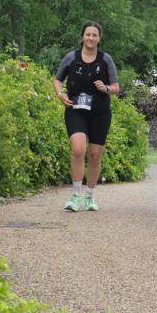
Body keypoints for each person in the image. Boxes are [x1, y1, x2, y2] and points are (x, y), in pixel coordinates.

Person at [54, 22, 120, 211]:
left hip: (100, 112)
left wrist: (106, 88)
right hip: (76, 109)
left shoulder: (105, 59)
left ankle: (89, 197)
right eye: (88, 34)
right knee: (77, 150)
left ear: (99, 38)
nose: (91, 38)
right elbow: (58, 80)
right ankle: (75, 196)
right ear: (82, 37)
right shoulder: (71, 58)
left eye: (94, 35)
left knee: (95, 155)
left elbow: (116, 87)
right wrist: (60, 94)